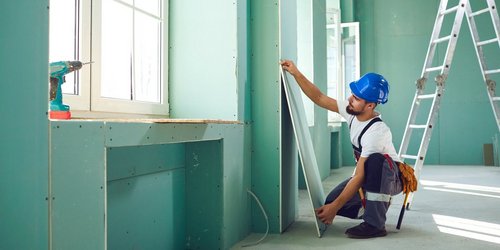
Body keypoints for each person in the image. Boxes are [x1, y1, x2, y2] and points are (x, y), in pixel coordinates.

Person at [281, 60, 403, 239]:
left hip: (392, 177)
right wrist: (296, 73)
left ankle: (375, 225)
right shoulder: (352, 111)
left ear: (370, 105)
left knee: (376, 161)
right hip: (370, 174)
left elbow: (360, 175)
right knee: (331, 201)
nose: (350, 100)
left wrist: (335, 209)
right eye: (352, 94)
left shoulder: (377, 132)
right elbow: (320, 98)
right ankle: (372, 209)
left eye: (356, 98)